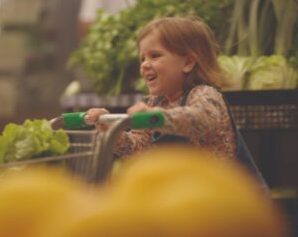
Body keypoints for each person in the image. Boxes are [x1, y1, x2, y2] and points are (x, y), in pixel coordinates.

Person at [86, 16, 267, 188]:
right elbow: (139, 148)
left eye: (155, 56)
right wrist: (113, 131)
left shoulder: (204, 94)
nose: (144, 65)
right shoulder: (156, 102)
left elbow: (202, 119)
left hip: (227, 200)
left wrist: (157, 117)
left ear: (188, 62)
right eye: (142, 58)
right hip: (185, 197)